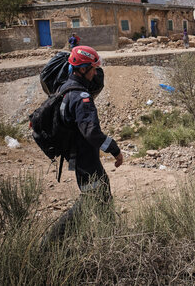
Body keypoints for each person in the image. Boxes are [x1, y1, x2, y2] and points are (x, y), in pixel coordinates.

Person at [43, 45, 123, 244]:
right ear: (82, 69)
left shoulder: (64, 88)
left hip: (78, 157)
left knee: (99, 197)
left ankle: (111, 236)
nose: (95, 73)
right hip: (86, 160)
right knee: (91, 200)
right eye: (93, 68)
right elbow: (92, 132)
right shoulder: (81, 97)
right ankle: (52, 242)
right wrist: (115, 150)